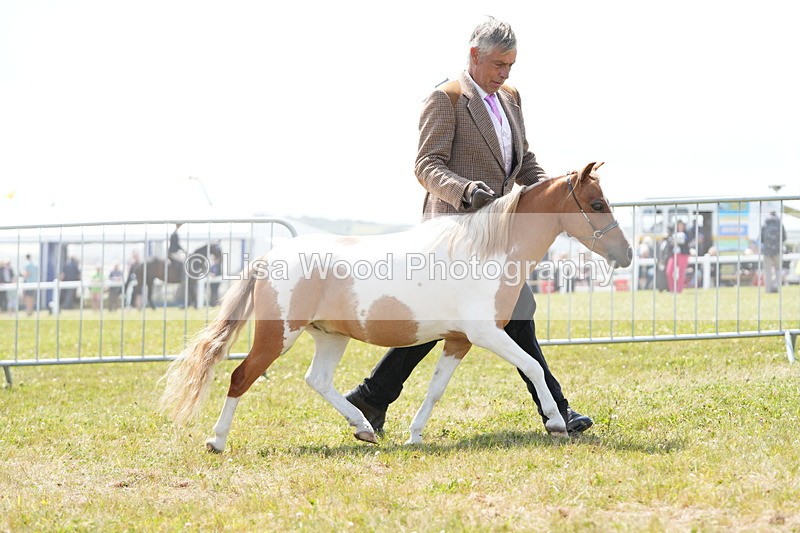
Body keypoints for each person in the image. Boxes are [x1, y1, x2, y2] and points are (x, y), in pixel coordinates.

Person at [345, 17, 592, 436]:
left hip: (497, 239)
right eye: (498, 64)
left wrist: (551, 193)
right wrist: (466, 191)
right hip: (454, 233)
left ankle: (372, 395)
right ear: (474, 55)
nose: (505, 74)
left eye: (510, 65)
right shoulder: (446, 99)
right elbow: (427, 165)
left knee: (452, 318)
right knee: (507, 312)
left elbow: (522, 160)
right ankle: (557, 411)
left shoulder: (511, 98)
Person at [760, 211, 786, 293]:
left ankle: (768, 289)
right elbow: (784, 237)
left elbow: (761, 238)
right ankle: (776, 286)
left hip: (767, 251)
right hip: (778, 250)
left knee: (767, 270)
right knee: (778, 269)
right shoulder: (780, 224)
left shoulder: (765, 224)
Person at [665, 220, 691, 293]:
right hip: (674, 254)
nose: (680, 226)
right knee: (669, 271)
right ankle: (672, 289)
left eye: (681, 225)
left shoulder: (687, 233)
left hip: (683, 254)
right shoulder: (673, 233)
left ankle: (679, 290)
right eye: (679, 225)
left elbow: (688, 242)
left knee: (681, 273)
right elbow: (669, 243)